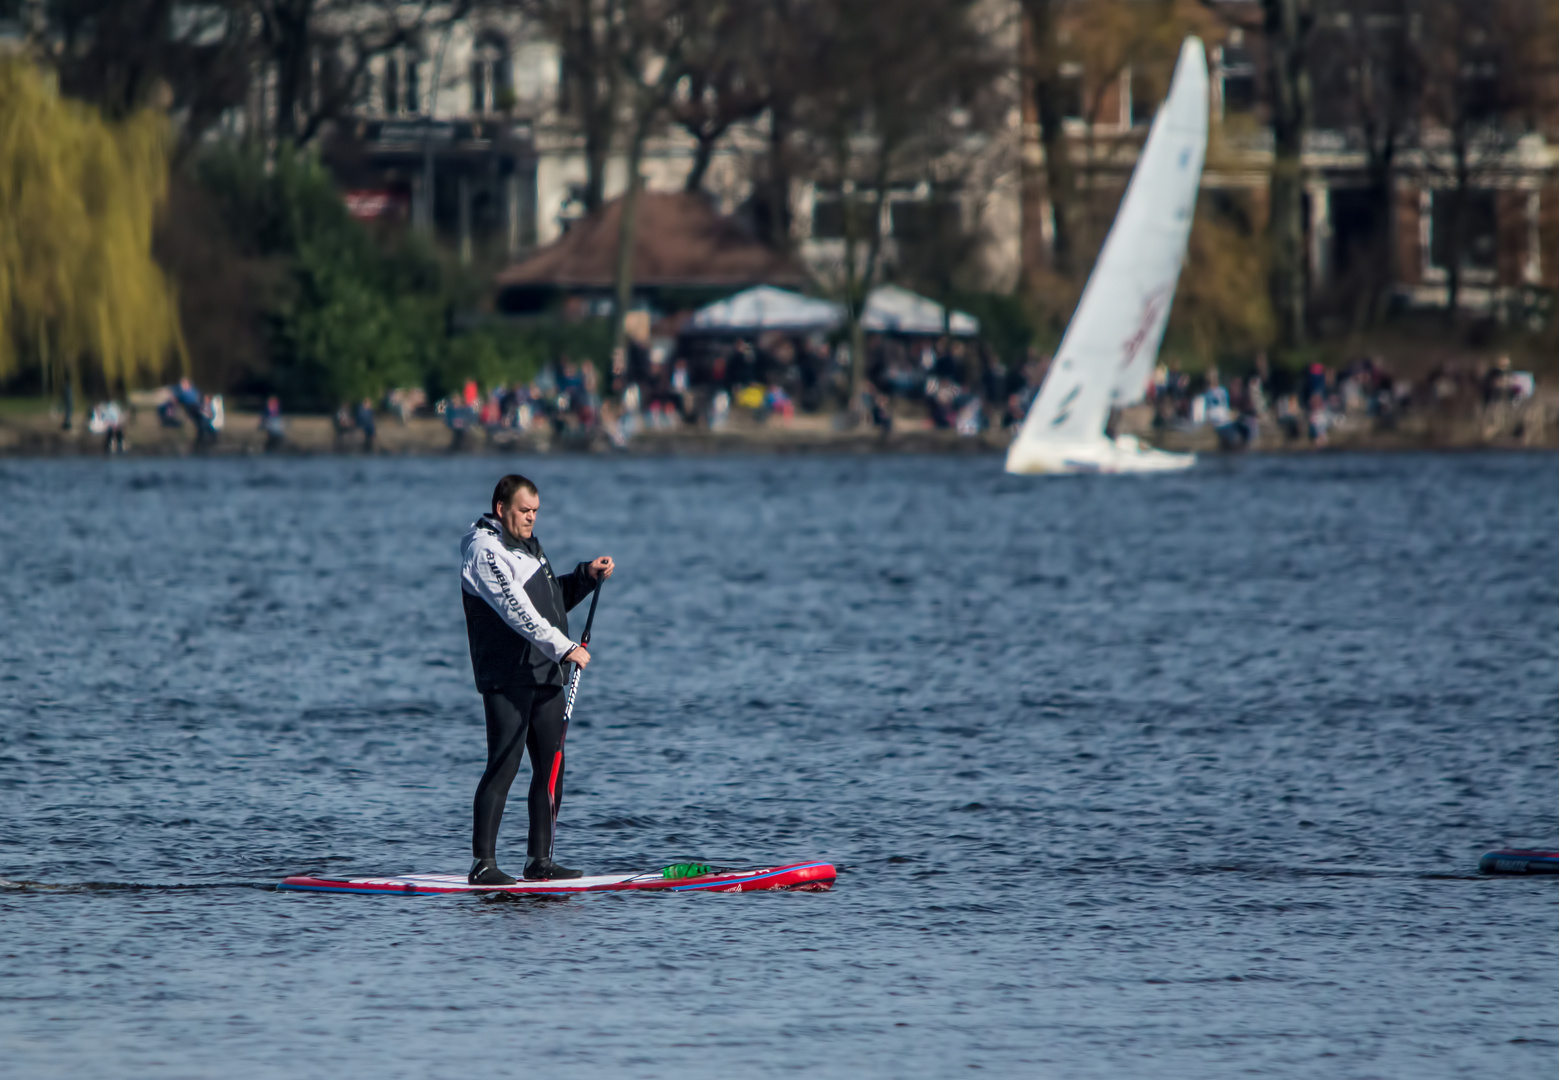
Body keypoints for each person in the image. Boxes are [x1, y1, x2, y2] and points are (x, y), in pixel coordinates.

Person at [459, 474, 614, 885]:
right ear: (501, 509)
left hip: (544, 673)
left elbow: (547, 604)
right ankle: (483, 866)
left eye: (535, 512)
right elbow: (518, 613)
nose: (531, 519)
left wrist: (584, 576)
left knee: (551, 768)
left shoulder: (528, 546)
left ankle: (538, 862)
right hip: (508, 677)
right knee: (503, 767)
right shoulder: (484, 551)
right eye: (524, 511)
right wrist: (565, 647)